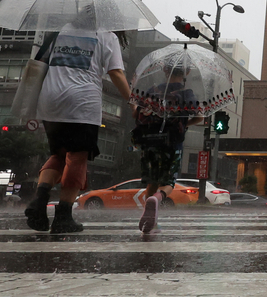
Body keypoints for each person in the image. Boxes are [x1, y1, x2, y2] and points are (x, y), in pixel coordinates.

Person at [24, 19, 132, 234]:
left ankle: (39, 200)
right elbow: (116, 73)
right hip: (81, 102)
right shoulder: (106, 35)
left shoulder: (60, 30)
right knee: (77, 156)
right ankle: (63, 216)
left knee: (58, 153)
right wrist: (133, 101)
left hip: (50, 100)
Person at [132, 99, 195, 234]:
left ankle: (152, 220)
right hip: (171, 144)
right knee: (168, 182)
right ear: (185, 76)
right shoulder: (186, 94)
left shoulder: (152, 91)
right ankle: (157, 197)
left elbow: (135, 115)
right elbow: (199, 117)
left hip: (149, 143)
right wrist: (184, 125)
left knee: (152, 181)